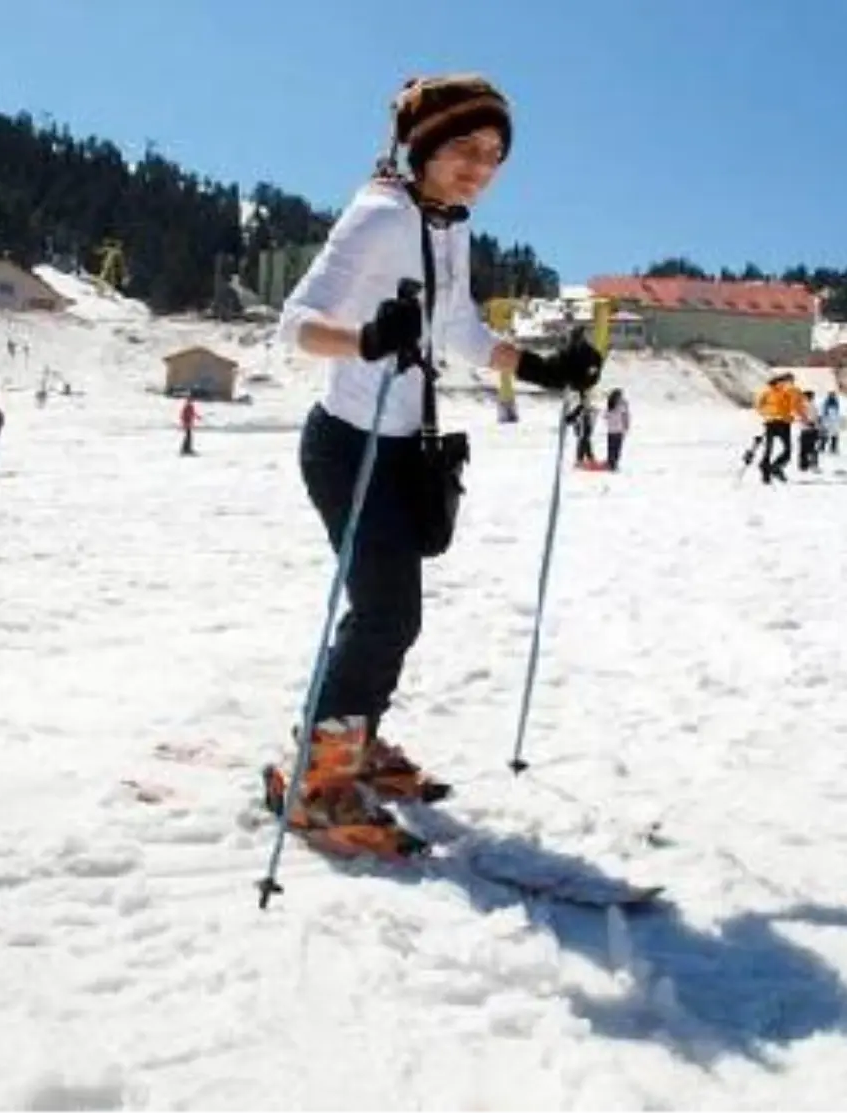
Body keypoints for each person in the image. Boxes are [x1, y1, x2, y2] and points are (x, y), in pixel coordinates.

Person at [266, 73, 602, 858]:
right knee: (385, 613)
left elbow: (457, 331)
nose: (479, 167)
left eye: (494, 154)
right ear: (421, 147)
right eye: (463, 148)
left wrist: (539, 365)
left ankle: (351, 742)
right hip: (348, 444)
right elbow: (295, 324)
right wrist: (367, 340)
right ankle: (316, 782)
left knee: (392, 613)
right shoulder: (381, 214)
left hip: (400, 448)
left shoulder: (448, 225)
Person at [754, 372, 806, 483]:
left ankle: (771, 469)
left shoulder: (786, 391)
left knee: (777, 450)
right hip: (776, 422)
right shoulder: (780, 391)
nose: (792, 382)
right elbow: (759, 406)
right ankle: (770, 470)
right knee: (777, 450)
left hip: (778, 422)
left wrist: (767, 414)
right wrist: (803, 418)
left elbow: (796, 405)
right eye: (790, 380)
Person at [604, 387, 630, 471]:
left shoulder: (610, 403)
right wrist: (626, 426)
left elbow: (605, 416)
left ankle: (611, 463)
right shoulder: (622, 404)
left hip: (611, 429)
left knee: (611, 447)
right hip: (618, 429)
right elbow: (626, 416)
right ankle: (613, 464)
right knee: (616, 448)